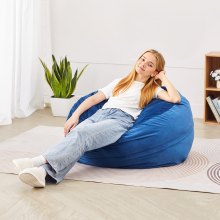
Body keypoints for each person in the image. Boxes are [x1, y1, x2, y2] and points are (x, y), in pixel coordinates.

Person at [12, 49, 181, 188]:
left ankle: (36, 161)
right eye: (142, 59)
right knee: (77, 133)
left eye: (149, 64)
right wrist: (75, 116)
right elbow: (93, 99)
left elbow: (175, 99)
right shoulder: (120, 82)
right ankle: (42, 173)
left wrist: (163, 77)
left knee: (81, 134)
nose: (143, 64)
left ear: (155, 72)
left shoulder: (152, 89)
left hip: (120, 120)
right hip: (100, 114)